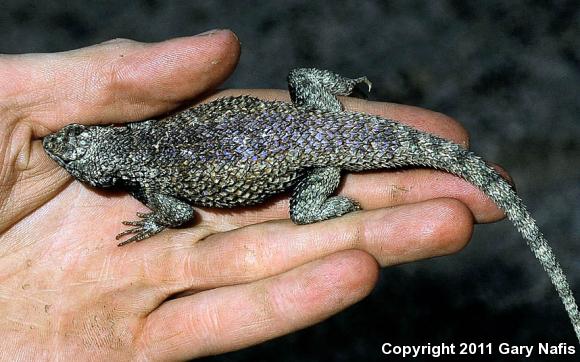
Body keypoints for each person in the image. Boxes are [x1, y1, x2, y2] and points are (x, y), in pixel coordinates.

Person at [0, 29, 506, 359]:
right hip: (320, 120)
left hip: (323, 153)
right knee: (302, 79)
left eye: (77, 145)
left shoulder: (154, 184)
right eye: (74, 151)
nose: (64, 147)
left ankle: (332, 206)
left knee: (306, 213)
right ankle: (339, 93)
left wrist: (154, 221)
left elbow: (176, 216)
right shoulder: (149, 126)